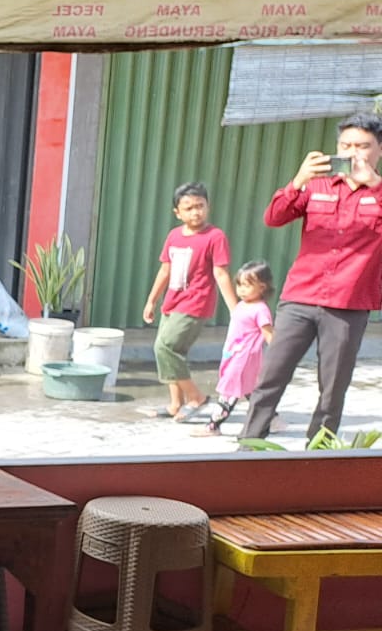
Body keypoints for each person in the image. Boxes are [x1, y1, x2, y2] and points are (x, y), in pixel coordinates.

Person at [242, 113, 382, 443]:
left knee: (333, 387)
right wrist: (297, 180)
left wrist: (375, 186)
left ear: (378, 149)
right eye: (346, 145)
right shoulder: (317, 185)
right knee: (270, 377)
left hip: (348, 304)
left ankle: (317, 453)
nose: (353, 153)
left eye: (362, 146)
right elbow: (274, 218)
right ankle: (249, 449)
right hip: (300, 298)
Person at [141, 182, 234, 422]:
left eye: (200, 206)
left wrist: (236, 311)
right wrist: (151, 301)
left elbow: (221, 273)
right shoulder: (174, 236)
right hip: (172, 302)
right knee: (173, 352)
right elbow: (165, 271)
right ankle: (175, 404)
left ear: (208, 206)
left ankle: (196, 397)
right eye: (189, 208)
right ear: (178, 213)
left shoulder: (215, 236)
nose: (196, 212)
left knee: (164, 347)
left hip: (196, 303)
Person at [197, 261, 276, 437]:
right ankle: (272, 419)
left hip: (244, 358)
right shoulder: (241, 305)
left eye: (247, 285)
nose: (241, 290)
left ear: (262, 287)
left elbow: (269, 335)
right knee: (250, 390)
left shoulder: (260, 310)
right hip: (233, 355)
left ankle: (213, 426)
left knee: (229, 392)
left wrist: (279, 357)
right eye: (239, 284)